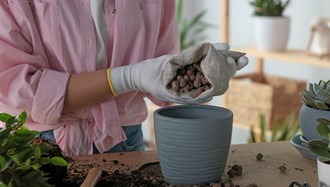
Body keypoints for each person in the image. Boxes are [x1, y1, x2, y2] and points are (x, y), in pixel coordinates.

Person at [0, 0, 248, 156]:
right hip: (37, 150)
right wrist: (127, 77)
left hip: (125, 140)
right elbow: (16, 92)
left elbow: (160, 63)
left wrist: (190, 76)